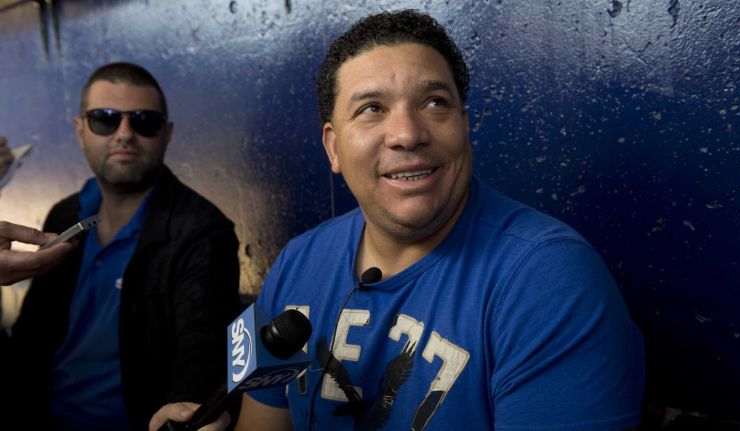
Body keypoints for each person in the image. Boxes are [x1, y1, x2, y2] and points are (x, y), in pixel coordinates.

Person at [152, 10, 644, 431]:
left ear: (464, 125)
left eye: (435, 103)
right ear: (333, 147)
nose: (407, 133)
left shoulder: (550, 280)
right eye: (371, 109)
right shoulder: (296, 262)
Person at [0, 62, 241, 430]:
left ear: (166, 133)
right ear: (81, 132)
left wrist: (187, 406)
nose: (124, 134)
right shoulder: (65, 214)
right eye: (105, 119)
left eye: (144, 121)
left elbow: (204, 354)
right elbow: (30, 341)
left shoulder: (202, 232)